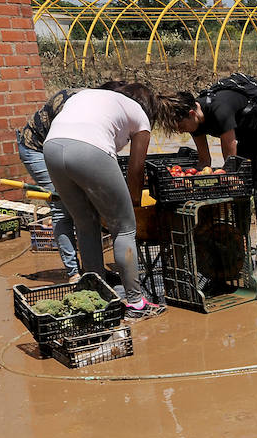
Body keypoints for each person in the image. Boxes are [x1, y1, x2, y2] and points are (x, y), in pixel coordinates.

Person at [42, 83, 196, 320]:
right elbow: (136, 170)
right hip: (90, 149)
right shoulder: (140, 116)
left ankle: (96, 298)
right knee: (124, 229)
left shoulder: (91, 96)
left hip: (51, 148)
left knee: (84, 223)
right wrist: (134, 203)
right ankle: (136, 303)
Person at [173, 83, 257, 285]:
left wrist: (227, 177)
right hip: (246, 141)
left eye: (181, 126)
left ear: (191, 113)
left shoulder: (219, 109)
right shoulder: (195, 122)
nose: (180, 131)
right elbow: (204, 160)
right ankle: (242, 253)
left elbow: (230, 159)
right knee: (239, 196)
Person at [15, 88, 83, 278]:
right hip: (36, 148)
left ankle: (91, 268)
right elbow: (65, 149)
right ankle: (74, 273)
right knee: (61, 206)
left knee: (82, 206)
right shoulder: (69, 108)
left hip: (62, 148)